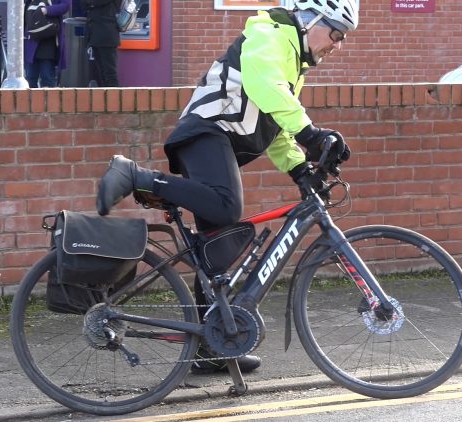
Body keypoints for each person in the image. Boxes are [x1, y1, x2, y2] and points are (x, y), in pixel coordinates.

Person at [96, 0, 358, 373]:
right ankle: (136, 175)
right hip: (206, 132)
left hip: (216, 146)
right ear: (311, 20)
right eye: (336, 33)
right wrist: (312, 133)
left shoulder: (293, 62)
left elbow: (276, 124)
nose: (339, 44)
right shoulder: (268, 35)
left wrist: (300, 168)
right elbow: (265, 86)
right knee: (226, 207)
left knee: (215, 255)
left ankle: (209, 348)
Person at [24, 0, 70, 88]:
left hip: (49, 37)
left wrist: (46, 10)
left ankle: (49, 101)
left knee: (47, 77)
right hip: (32, 36)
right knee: (30, 79)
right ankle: (32, 101)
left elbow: (65, 6)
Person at [83, 0, 120, 87]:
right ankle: (106, 99)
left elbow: (98, 2)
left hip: (107, 33)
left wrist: (91, 3)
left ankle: (113, 99)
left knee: (110, 74)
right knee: (102, 73)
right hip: (94, 34)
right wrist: (91, 4)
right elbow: (83, 4)